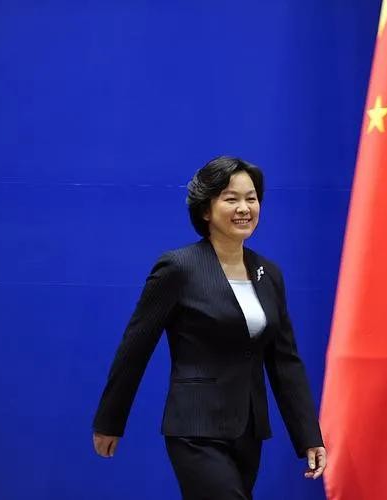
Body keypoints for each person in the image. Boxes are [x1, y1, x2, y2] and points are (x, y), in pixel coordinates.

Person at [91, 156, 327, 499]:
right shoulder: (179, 267)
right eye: (231, 199)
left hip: (248, 431)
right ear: (206, 210)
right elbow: (135, 347)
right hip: (195, 429)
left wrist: (308, 436)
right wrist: (110, 421)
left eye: (251, 198)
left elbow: (285, 361)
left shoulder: (269, 274)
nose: (244, 208)